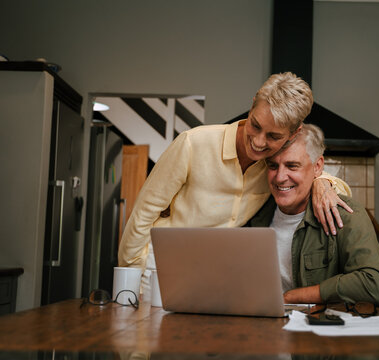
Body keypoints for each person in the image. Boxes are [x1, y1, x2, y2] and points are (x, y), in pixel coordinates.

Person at [118, 72, 352, 295]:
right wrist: (132, 280)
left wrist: (323, 182)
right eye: (255, 125)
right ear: (251, 107)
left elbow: (324, 180)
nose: (259, 142)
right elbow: (143, 214)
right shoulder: (193, 144)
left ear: (294, 133)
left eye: (273, 136)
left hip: (213, 279)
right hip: (159, 271)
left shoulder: (273, 167)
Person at [246, 124, 379, 307]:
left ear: (317, 166)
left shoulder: (345, 213)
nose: (280, 177)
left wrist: (293, 297)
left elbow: (375, 286)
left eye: (292, 166)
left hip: (319, 331)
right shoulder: (253, 214)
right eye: (273, 166)